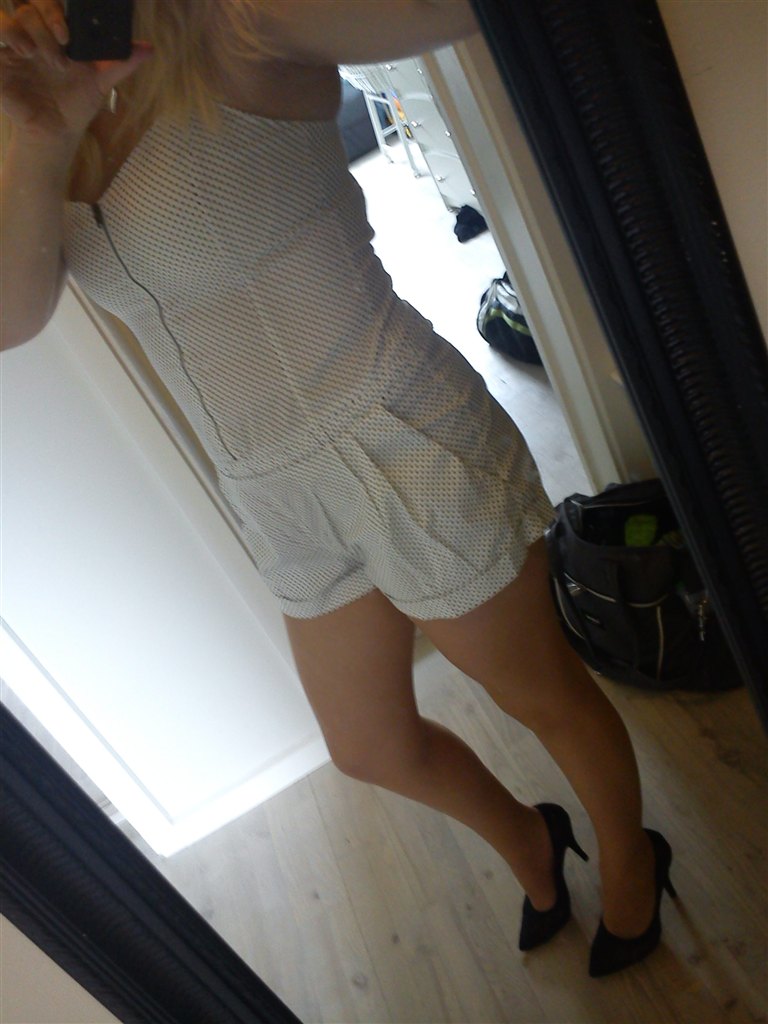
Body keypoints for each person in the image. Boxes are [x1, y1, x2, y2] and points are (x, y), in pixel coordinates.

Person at [0, 0, 676, 977]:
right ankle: (532, 837)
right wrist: (42, 133)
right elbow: (13, 317)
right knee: (367, 745)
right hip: (270, 492)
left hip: (396, 430)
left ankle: (631, 858)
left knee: (539, 692)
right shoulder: (33, 117)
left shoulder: (238, 28)